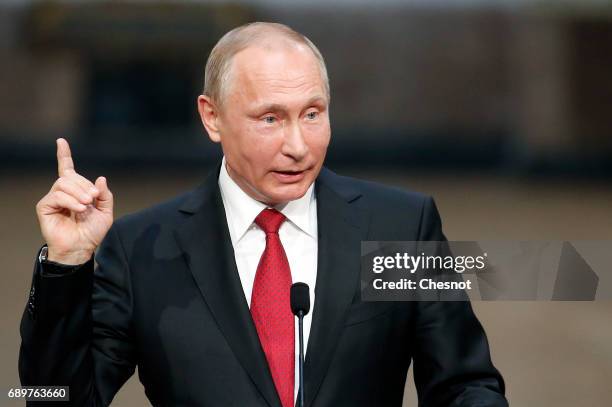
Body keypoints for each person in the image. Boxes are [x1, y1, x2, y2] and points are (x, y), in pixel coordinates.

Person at [20, 22, 507, 407]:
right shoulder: (141, 248)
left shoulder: (404, 227)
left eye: (312, 114)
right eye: (270, 118)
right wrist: (66, 265)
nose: (297, 146)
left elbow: (464, 386)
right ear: (213, 117)